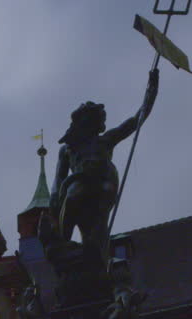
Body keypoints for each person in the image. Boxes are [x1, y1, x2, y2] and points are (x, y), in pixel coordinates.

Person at [49, 68, 160, 268]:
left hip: (103, 184)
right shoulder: (68, 149)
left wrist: (152, 89)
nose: (100, 124)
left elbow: (137, 119)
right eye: (96, 119)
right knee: (77, 206)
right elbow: (58, 179)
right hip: (78, 184)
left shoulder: (105, 141)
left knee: (95, 222)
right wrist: (55, 196)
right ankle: (72, 249)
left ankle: (88, 252)